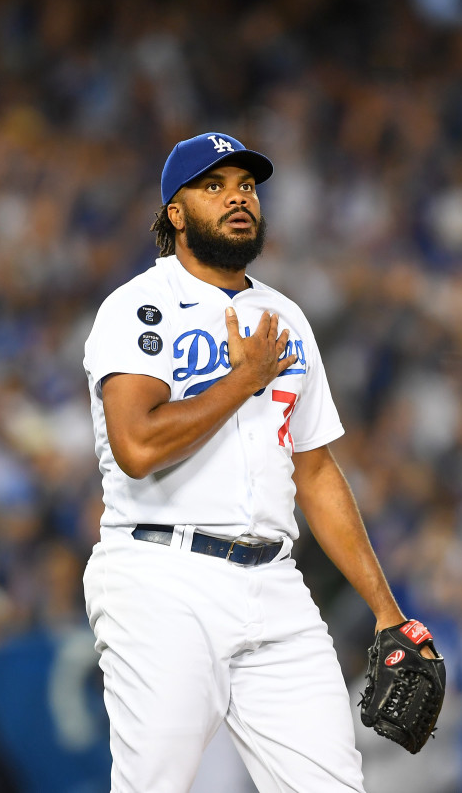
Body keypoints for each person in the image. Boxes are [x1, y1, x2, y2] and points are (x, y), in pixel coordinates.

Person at [81, 132, 431, 792]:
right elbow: (136, 447)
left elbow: (316, 472)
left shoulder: (285, 318)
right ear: (175, 214)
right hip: (161, 575)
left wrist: (388, 611)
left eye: (245, 186)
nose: (237, 199)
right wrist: (241, 382)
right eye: (213, 187)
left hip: (274, 584)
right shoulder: (136, 309)